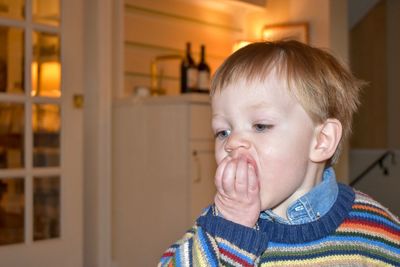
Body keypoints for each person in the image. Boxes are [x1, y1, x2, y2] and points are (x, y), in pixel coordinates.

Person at [158, 40, 400, 266]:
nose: (232, 143)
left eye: (260, 126)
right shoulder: (218, 227)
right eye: (223, 131)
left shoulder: (378, 233)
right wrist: (231, 229)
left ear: (321, 140)